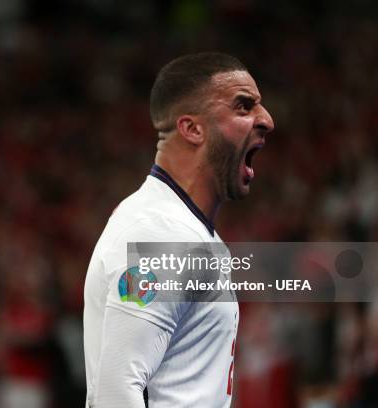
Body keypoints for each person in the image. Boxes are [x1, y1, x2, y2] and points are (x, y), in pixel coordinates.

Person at [83, 52, 274, 407]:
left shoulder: (187, 231)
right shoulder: (161, 234)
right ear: (192, 128)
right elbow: (114, 392)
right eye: (244, 107)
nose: (267, 120)